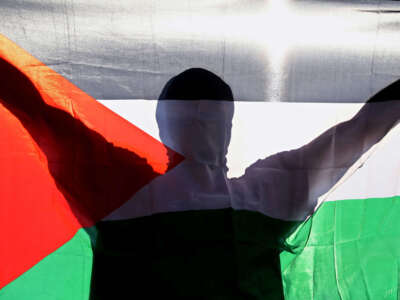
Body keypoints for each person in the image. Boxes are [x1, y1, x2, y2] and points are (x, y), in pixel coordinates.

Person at [92, 68, 400, 299]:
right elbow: (360, 130)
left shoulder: (119, 198)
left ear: (163, 128)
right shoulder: (263, 196)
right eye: (202, 120)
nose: (206, 130)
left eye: (212, 121)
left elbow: (360, 131)